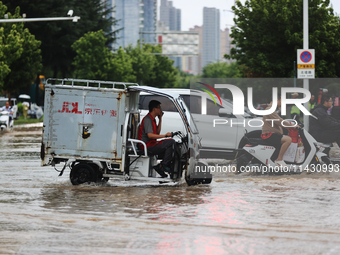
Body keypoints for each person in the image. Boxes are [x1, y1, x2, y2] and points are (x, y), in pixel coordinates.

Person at [138, 100, 175, 178]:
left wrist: (160, 119)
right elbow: (150, 136)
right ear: (154, 109)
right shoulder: (148, 119)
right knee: (170, 142)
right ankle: (163, 166)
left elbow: (157, 133)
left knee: (172, 147)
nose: (161, 110)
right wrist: (165, 136)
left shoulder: (153, 119)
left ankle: (163, 166)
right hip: (147, 146)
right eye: (159, 108)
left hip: (151, 144)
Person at [261, 96, 299, 168]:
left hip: (271, 133)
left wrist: (288, 126)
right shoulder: (270, 109)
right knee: (288, 139)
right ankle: (279, 159)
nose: (282, 103)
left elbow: (278, 120)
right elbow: (279, 121)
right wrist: (293, 126)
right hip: (269, 134)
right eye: (281, 101)